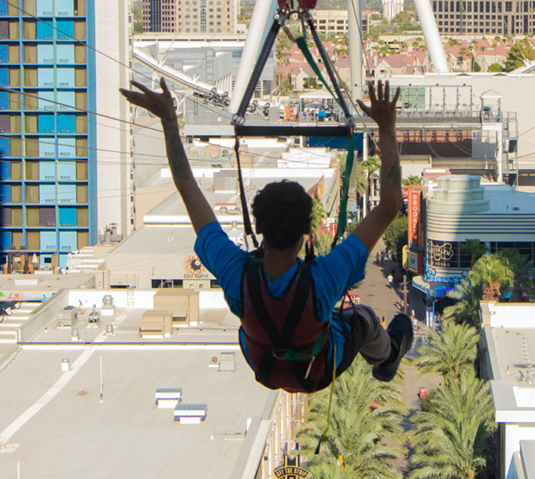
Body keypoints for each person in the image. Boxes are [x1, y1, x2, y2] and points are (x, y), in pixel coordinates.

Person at [121, 78, 413, 393]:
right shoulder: (325, 278)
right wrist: (386, 127)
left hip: (266, 367)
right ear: (306, 233)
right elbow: (390, 206)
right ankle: (389, 357)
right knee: (364, 317)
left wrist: (168, 122)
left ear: (258, 229)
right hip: (316, 370)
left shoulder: (236, 274)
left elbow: (186, 185)